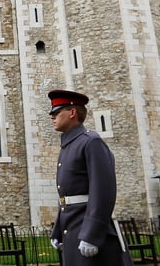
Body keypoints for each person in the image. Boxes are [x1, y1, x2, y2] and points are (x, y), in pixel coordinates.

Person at [47, 90, 133, 266]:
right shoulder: (68, 146)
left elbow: (103, 190)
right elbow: (64, 196)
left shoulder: (90, 141)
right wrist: (57, 230)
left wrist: (92, 234)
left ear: (72, 113)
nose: (52, 117)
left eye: (57, 112)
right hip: (71, 228)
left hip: (87, 228)